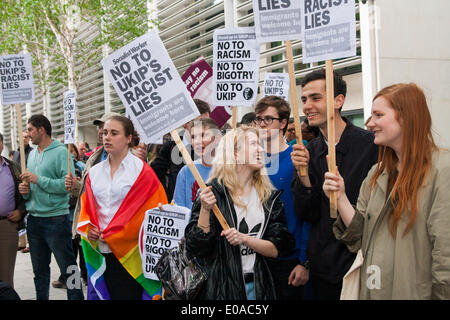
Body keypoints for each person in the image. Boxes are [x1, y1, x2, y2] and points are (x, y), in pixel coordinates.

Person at [324, 83, 450, 299]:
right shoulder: (377, 173)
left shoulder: (442, 170)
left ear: (406, 117)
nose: (369, 123)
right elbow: (360, 237)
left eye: (378, 114)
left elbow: (445, 253)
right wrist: (341, 197)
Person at [291, 69, 378, 300]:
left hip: (362, 263)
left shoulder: (372, 146)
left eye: (315, 98)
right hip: (324, 269)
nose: (307, 106)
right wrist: (303, 177)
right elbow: (306, 213)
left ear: (339, 100)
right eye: (304, 99)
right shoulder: (308, 151)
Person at [185, 126, 295, 300]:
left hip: (260, 288)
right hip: (222, 290)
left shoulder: (269, 197)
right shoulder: (213, 193)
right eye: (253, 144)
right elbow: (198, 248)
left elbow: (279, 248)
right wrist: (205, 210)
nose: (260, 149)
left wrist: (244, 239)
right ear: (235, 154)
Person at [76, 115, 168, 300]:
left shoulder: (143, 171)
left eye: (114, 133)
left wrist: (122, 233)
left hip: (132, 256)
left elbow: (157, 213)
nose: (106, 137)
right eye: (105, 133)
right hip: (101, 252)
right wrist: (89, 230)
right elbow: (87, 211)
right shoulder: (94, 172)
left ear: (128, 138)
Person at [18, 115, 84, 300]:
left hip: (56, 219)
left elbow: (66, 187)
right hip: (34, 220)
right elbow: (30, 191)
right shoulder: (31, 154)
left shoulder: (62, 152)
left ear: (41, 130)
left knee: (69, 268)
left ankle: (76, 297)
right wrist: (24, 190)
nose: (28, 134)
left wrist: (38, 180)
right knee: (39, 271)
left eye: (30, 129)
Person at [254, 96, 310, 300]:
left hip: (289, 257)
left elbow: (308, 214)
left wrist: (304, 261)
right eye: (258, 119)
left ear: (283, 122)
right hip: (254, 256)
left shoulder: (297, 159)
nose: (261, 124)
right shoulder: (250, 159)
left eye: (268, 119)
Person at [151, 99, 211, 201]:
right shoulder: (171, 147)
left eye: (207, 121)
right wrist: (166, 197)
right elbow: (154, 175)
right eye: (199, 122)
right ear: (185, 123)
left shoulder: (213, 147)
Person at [173, 118, 221, 212]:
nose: (198, 141)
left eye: (203, 135)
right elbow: (178, 210)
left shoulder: (229, 170)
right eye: (194, 137)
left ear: (217, 138)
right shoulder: (186, 171)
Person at [0, 132, 27, 289]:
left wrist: (20, 211)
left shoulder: (13, 167)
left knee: (6, 275)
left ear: (2, 144)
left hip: (7, 226)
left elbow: (26, 194)